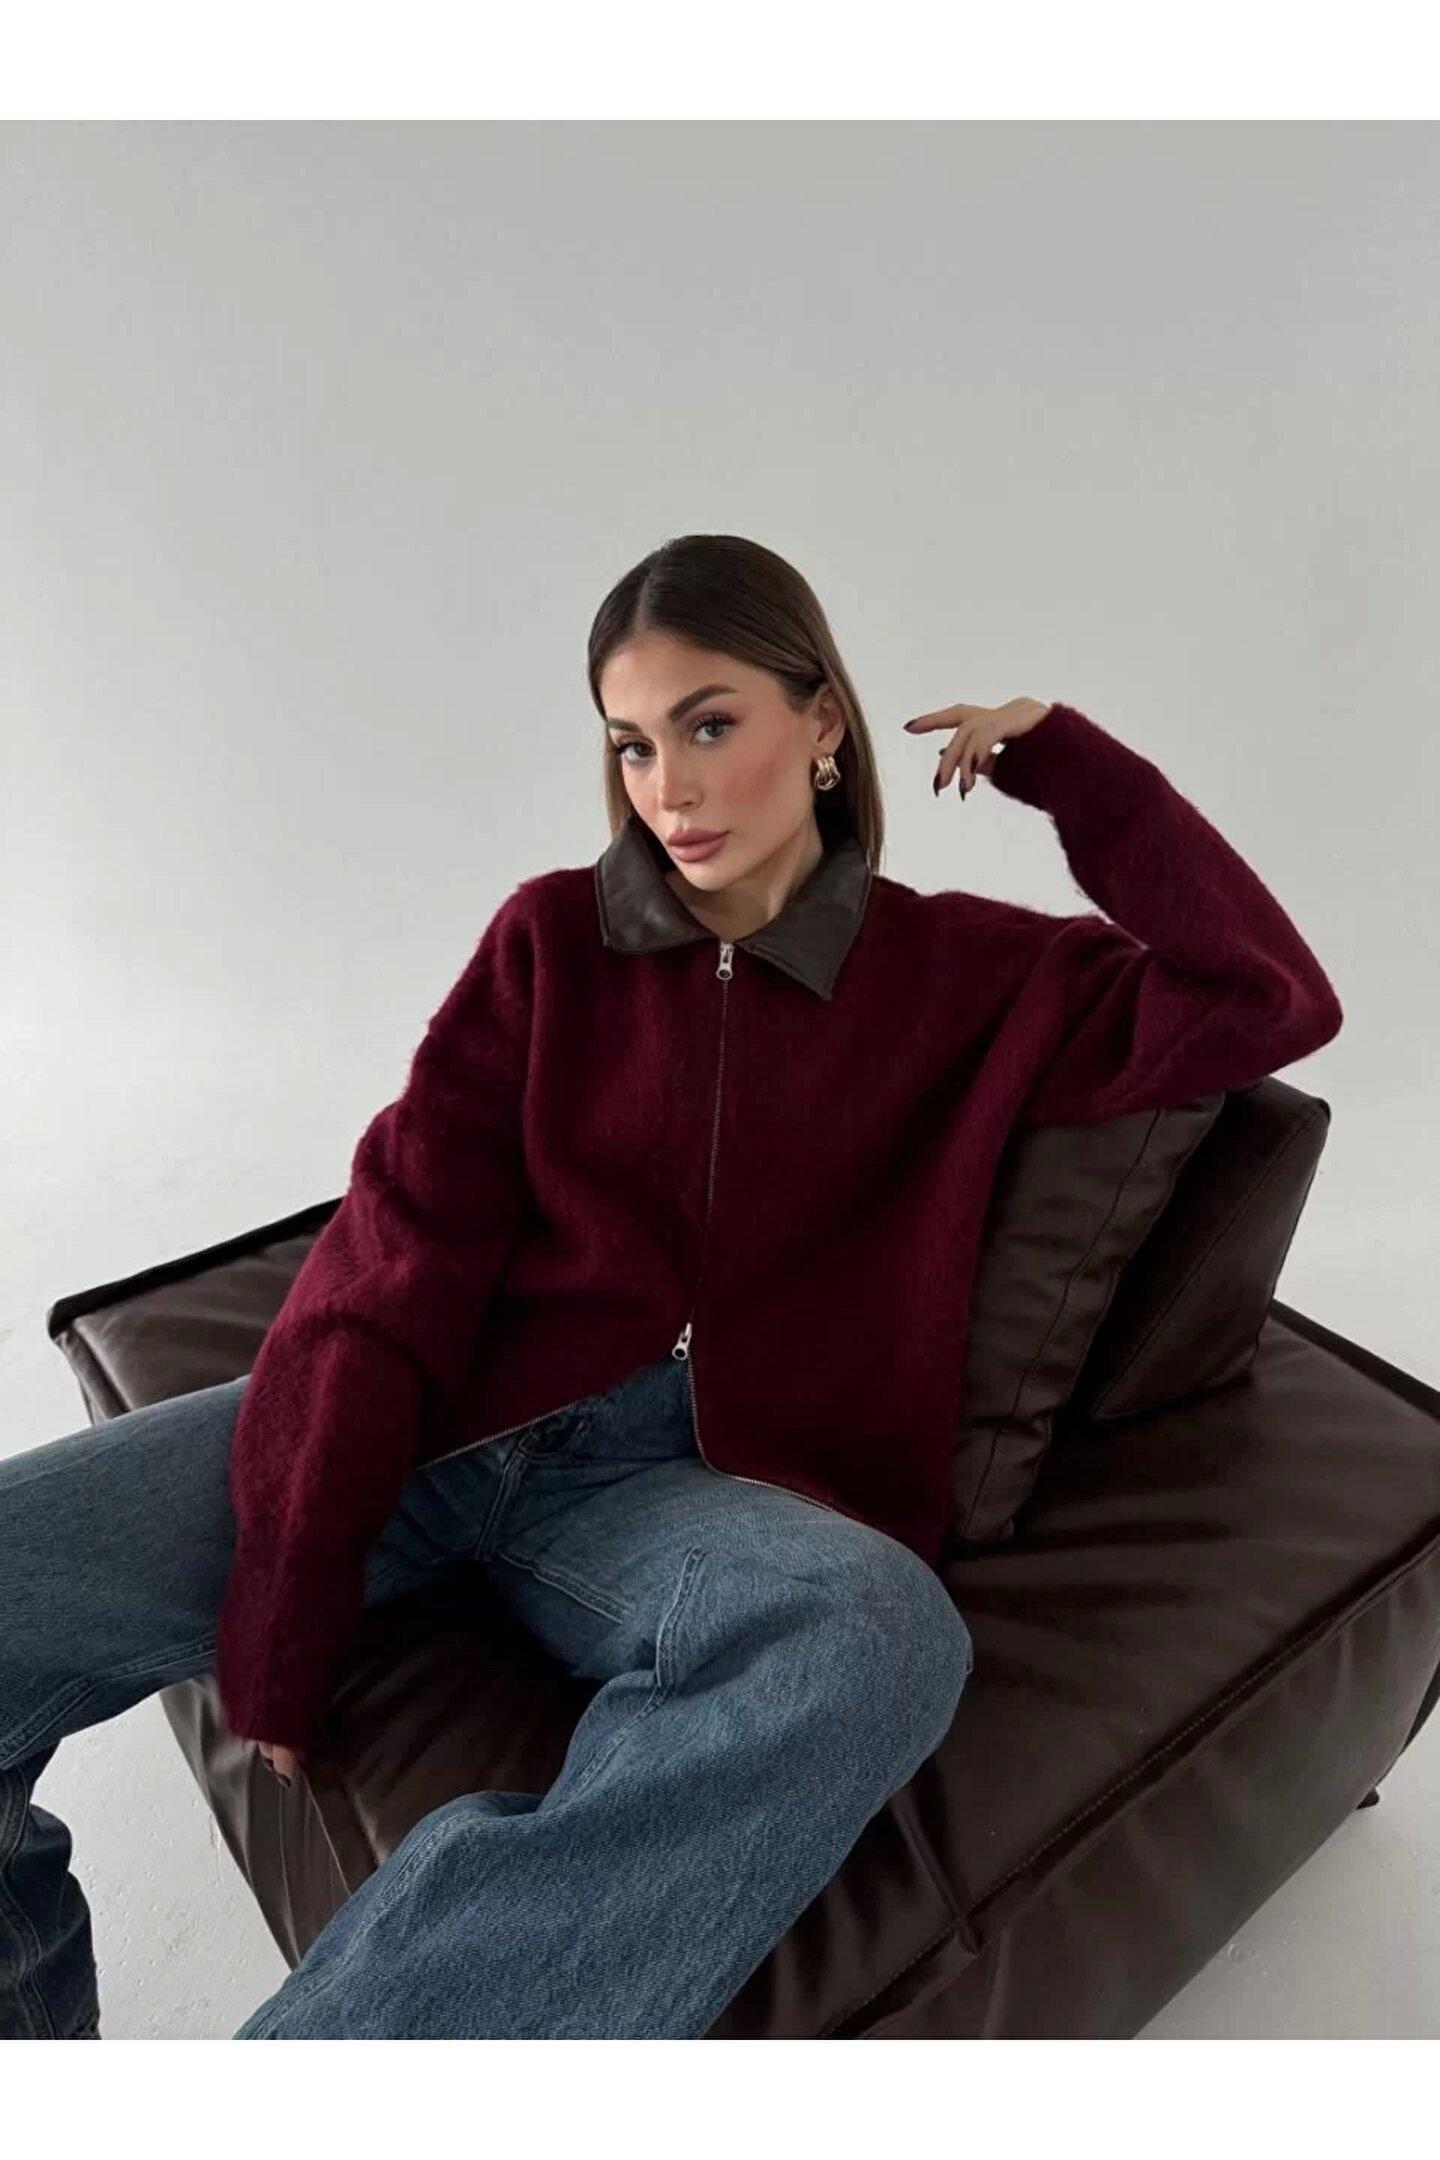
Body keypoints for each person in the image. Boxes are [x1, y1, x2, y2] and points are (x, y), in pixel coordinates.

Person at [0, 533, 1343, 2041]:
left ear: (822, 721)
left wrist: (1063, 763)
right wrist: (287, 1598)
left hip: (681, 1498)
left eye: (711, 724)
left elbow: (1270, 996)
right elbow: (392, 1254)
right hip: (443, 1424)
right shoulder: (548, 944)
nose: (669, 788)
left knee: (879, 1638)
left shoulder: (970, 976)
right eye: (634, 743)